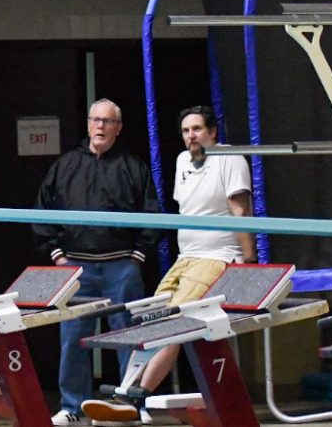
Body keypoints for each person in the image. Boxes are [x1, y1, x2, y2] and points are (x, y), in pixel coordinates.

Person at [82, 105, 255, 426]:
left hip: (217, 257)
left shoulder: (231, 159)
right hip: (184, 259)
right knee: (151, 319)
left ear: (212, 132)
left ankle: (134, 396)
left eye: (198, 129)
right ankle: (127, 393)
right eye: (187, 130)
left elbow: (240, 210)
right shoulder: (181, 161)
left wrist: (250, 260)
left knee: (173, 323)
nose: (192, 135)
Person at [33, 99, 160, 426]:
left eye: (107, 121)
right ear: (88, 124)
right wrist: (57, 255)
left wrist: (137, 257)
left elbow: (151, 215)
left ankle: (132, 403)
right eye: (95, 120)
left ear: (118, 128)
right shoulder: (64, 166)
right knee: (72, 339)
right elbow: (41, 212)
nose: (100, 126)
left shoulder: (134, 167)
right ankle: (73, 408)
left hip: (122, 267)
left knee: (129, 336)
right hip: (76, 268)